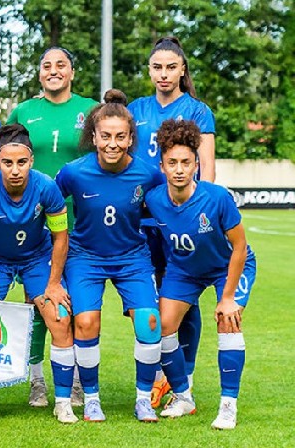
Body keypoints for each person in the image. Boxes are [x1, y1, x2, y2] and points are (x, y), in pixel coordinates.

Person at [55, 90, 163, 422]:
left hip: (132, 257)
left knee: (149, 321)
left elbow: (167, 207)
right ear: (94, 137)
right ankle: (91, 399)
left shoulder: (148, 174)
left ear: (130, 138)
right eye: (105, 136)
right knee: (86, 322)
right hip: (85, 257)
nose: (112, 144)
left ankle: (143, 399)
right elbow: (49, 204)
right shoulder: (73, 172)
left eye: (120, 137)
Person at [144, 119, 256, 429]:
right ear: (162, 166)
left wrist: (228, 298)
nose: (179, 169)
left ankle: (228, 405)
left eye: (186, 162)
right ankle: (183, 397)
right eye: (172, 163)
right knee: (162, 327)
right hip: (185, 269)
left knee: (228, 321)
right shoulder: (154, 200)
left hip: (228, 267)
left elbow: (240, 247)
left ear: (196, 164)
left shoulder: (217, 198)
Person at [6, 46, 98, 408]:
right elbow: (3, 154)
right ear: (39, 73)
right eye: (47, 65)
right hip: (32, 224)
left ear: (72, 72)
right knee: (37, 303)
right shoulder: (24, 111)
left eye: (61, 65)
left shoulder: (89, 109)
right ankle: (37, 380)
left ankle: (73, 380)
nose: (54, 70)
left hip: (79, 222)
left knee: (71, 302)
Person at [128, 36, 216, 407]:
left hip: (181, 219)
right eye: (157, 67)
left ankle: (183, 380)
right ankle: (159, 375)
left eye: (171, 67)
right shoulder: (136, 109)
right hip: (142, 220)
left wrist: (201, 214)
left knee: (185, 298)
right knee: (148, 301)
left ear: (182, 70)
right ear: (149, 71)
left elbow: (207, 169)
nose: (163, 74)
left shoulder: (198, 111)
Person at [0, 124, 71, 423]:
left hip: (37, 258)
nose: (14, 170)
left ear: (31, 161)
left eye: (21, 162)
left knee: (60, 316)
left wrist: (53, 283)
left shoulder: (46, 187)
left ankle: (63, 402)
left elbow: (60, 237)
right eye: (7, 163)